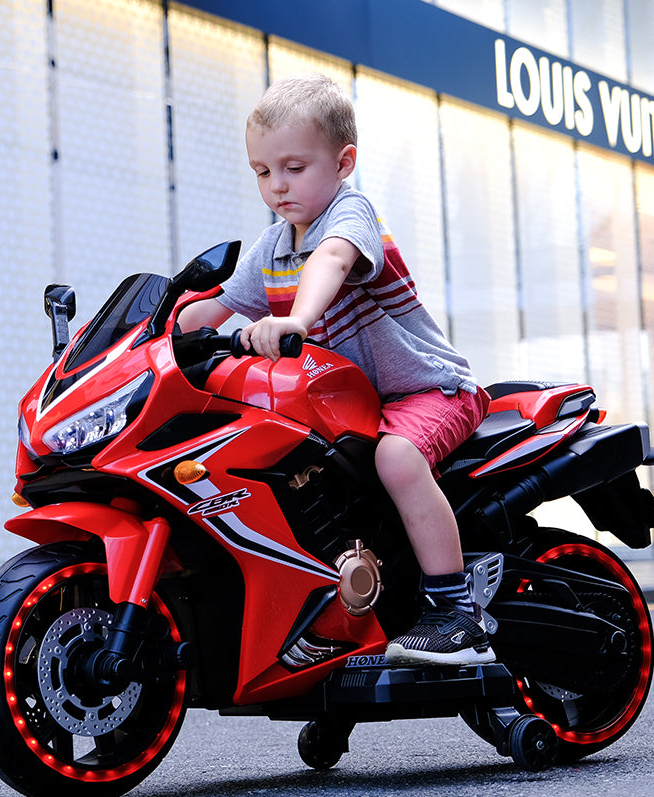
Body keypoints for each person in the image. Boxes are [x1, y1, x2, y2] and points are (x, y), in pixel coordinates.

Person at [177, 74, 494, 667]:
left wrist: (294, 319)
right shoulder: (272, 246)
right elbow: (212, 307)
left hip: (429, 388)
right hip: (357, 407)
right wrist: (150, 335)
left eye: (294, 168)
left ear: (343, 161)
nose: (277, 186)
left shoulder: (350, 216)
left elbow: (332, 260)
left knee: (396, 458)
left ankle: (458, 614)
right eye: (263, 172)